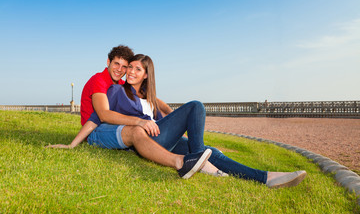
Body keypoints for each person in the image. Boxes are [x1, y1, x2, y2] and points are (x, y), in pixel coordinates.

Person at [49, 54, 307, 188]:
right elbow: (97, 118)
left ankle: (266, 178)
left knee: (212, 152)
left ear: (147, 75)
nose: (130, 72)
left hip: (165, 137)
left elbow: (166, 112)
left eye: (137, 69)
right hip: (153, 140)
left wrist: (167, 115)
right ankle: (196, 158)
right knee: (195, 106)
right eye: (130, 68)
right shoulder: (117, 92)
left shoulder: (149, 98)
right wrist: (72, 145)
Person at [47, 45, 212, 179]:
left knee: (209, 150)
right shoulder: (104, 82)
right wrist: (72, 145)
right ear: (108, 62)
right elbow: (100, 116)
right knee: (138, 130)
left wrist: (172, 114)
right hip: (100, 130)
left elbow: (153, 99)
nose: (120, 70)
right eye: (116, 64)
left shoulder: (122, 86)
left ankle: (232, 171)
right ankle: (182, 163)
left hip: (127, 129)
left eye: (125, 67)